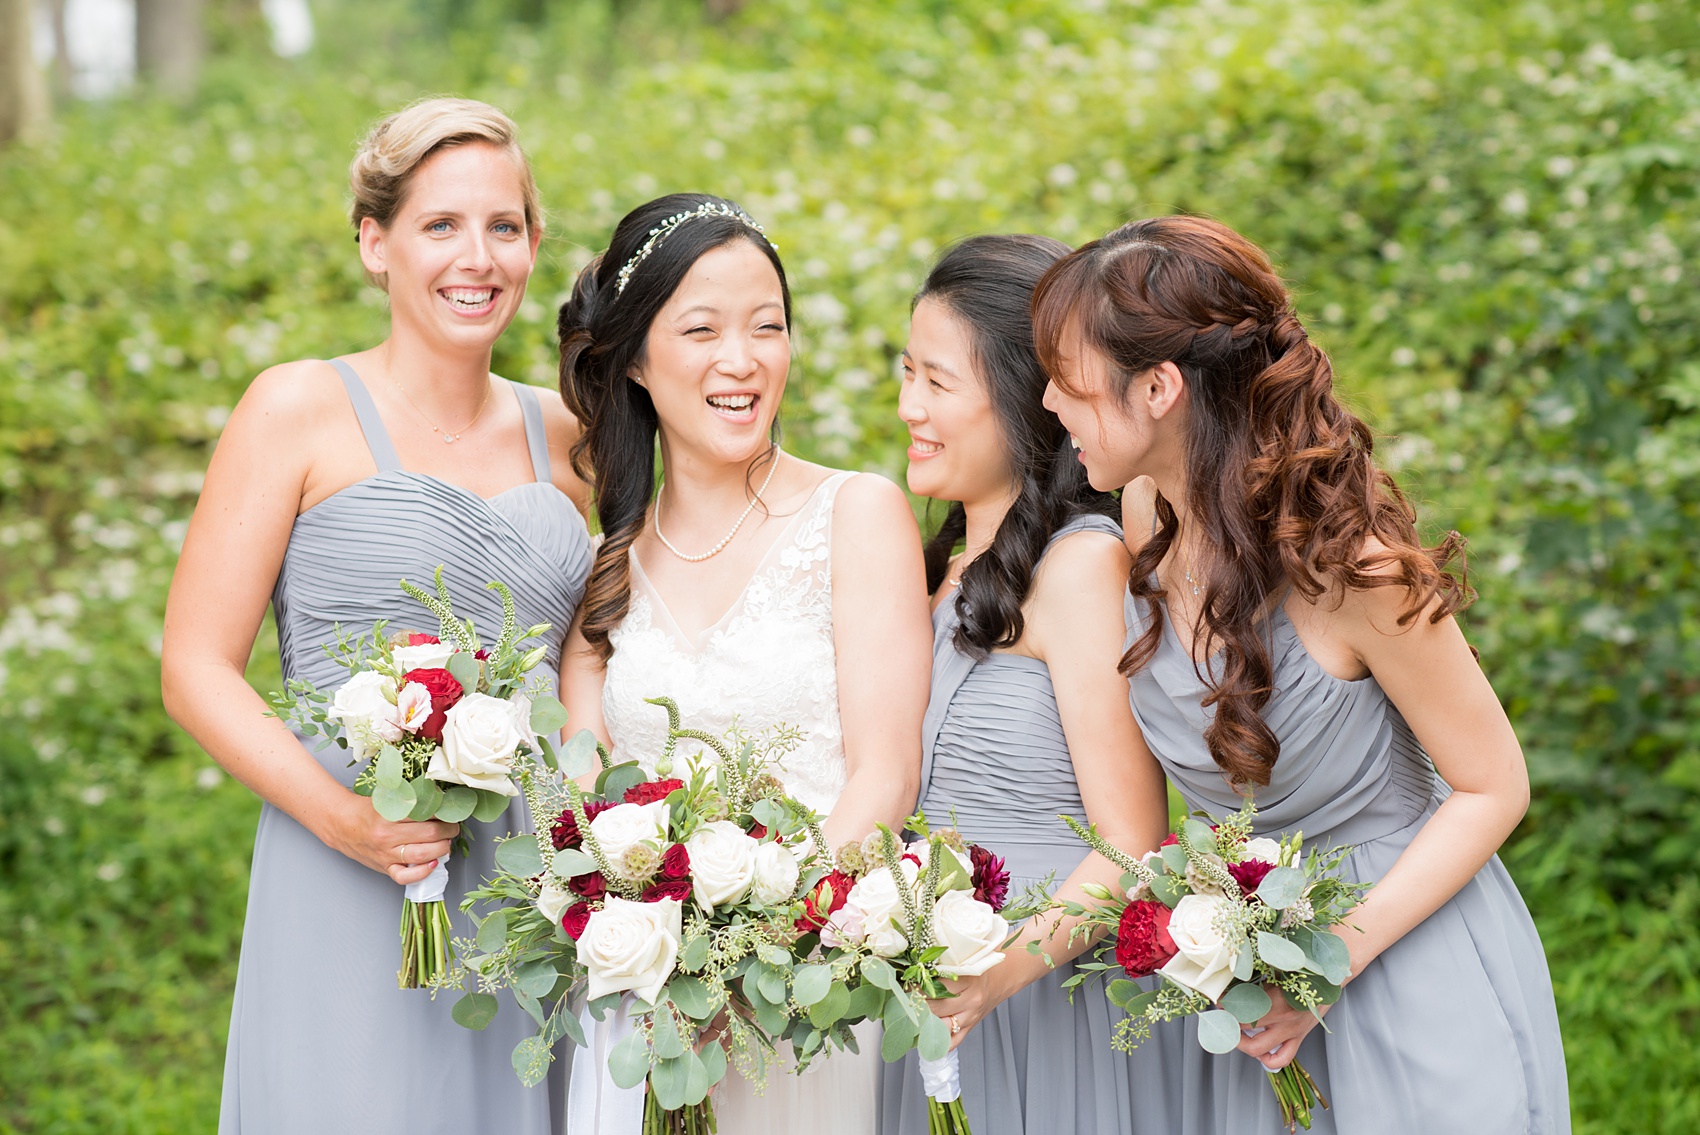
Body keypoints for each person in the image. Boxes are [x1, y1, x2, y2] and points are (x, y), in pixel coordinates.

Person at [1033, 214, 1570, 1134]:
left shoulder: (1352, 564)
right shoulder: (1141, 511)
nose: (1047, 403)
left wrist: (1325, 960)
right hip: (1250, 978)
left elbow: (1494, 784)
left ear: (1159, 387)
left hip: (1406, 956)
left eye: (1069, 382)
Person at [160, 98, 593, 1135]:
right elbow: (194, 667)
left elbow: (592, 660)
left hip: (527, 885)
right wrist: (347, 819)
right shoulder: (295, 409)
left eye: (503, 226)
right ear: (374, 243)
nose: (475, 256)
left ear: (533, 244)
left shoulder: (574, 437)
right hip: (346, 856)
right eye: (440, 225)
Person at [555, 192, 933, 1133]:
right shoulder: (608, 558)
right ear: (636, 359)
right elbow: (583, 775)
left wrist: (756, 959)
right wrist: (655, 951)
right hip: (640, 1004)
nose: (743, 359)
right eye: (703, 329)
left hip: (794, 996)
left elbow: (886, 770)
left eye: (768, 327)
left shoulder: (856, 514)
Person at [876, 235, 1178, 1135]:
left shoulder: (1081, 566)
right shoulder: (925, 569)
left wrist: (999, 973)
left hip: (1048, 1004)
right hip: (930, 1001)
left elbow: (1135, 839)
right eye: (905, 373)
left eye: (938, 382)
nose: (908, 407)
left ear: (1020, 398)